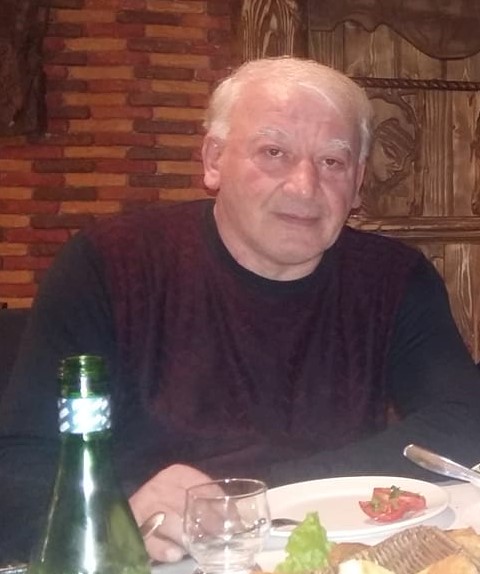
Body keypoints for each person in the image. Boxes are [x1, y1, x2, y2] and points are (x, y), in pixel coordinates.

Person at [1, 56, 480, 564]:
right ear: (214, 160)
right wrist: (118, 509)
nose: (304, 186)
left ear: (358, 182)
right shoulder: (109, 265)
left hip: (332, 555)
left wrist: (243, 500)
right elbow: (19, 466)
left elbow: (462, 419)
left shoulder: (393, 278)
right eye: (274, 152)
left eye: (332, 162)